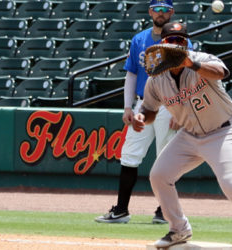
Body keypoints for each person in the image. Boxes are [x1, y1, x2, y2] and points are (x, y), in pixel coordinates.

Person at [132, 22, 232, 249]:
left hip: (224, 131)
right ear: (162, 45)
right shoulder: (157, 78)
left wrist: (191, 64)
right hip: (189, 135)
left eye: (180, 40)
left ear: (186, 42)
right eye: (171, 40)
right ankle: (179, 229)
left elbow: (220, 73)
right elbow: (149, 109)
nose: (176, 44)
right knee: (159, 175)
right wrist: (141, 118)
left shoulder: (201, 59)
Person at [95, 0, 191, 224]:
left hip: (170, 105)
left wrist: (182, 109)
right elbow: (131, 74)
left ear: (172, 12)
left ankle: (163, 211)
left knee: (166, 159)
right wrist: (128, 106)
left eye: (165, 9)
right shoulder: (139, 39)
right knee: (129, 155)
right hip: (143, 104)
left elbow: (188, 76)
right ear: (150, 12)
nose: (160, 13)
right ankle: (121, 210)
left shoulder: (181, 39)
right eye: (156, 9)